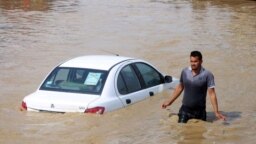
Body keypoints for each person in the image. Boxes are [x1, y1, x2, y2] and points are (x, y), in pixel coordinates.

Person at [162, 51, 226, 123]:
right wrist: (170, 101)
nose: (193, 64)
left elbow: (212, 94)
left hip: (200, 112)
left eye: (195, 61)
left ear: (201, 61)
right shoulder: (185, 72)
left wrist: (216, 112)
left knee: (199, 133)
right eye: (191, 61)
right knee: (181, 130)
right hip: (185, 110)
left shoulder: (207, 75)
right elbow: (180, 87)